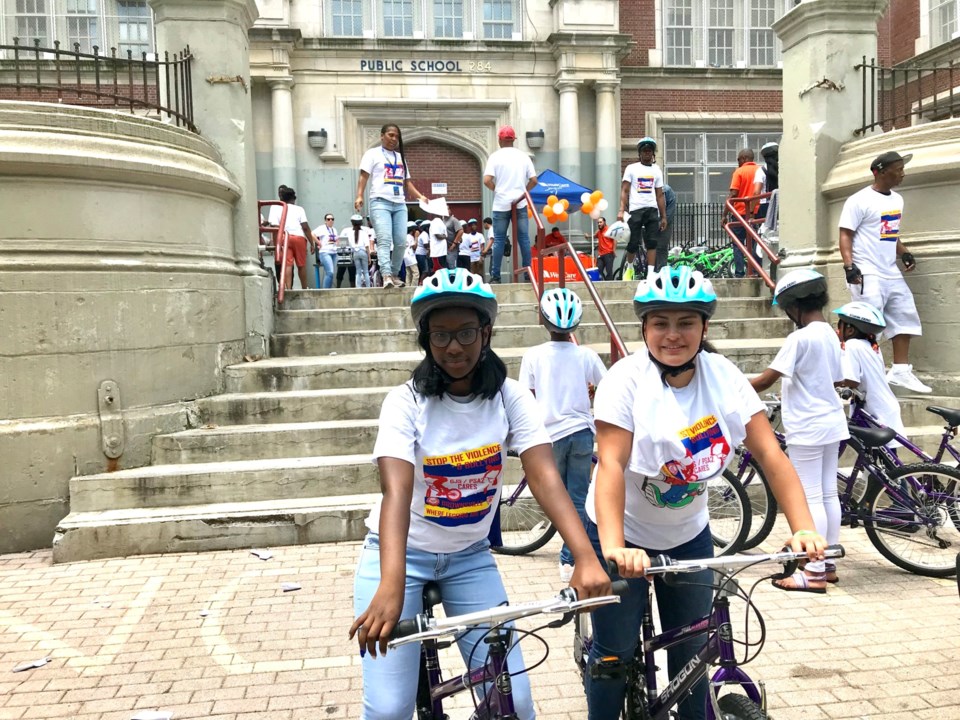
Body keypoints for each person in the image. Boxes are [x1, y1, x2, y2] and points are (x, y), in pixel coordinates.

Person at [349, 268, 611, 720]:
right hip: (398, 557)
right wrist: (391, 583)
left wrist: (584, 556)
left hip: (470, 557)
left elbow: (546, 477)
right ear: (425, 339)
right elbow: (396, 492)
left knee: (514, 703)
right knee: (390, 710)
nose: (454, 346)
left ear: (486, 333)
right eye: (441, 335)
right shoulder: (405, 402)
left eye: (466, 332)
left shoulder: (510, 398)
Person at [585, 265, 826, 720]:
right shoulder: (625, 379)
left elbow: (772, 456)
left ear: (704, 327)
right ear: (644, 327)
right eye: (661, 323)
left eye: (686, 323)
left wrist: (804, 529)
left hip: (687, 533)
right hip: (621, 531)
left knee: (693, 652)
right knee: (614, 653)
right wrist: (615, 546)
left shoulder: (724, 377)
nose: (672, 335)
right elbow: (612, 462)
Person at [751, 269, 849, 592]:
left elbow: (767, 379)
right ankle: (829, 562)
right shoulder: (831, 335)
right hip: (832, 421)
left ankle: (814, 571)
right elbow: (837, 378)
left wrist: (732, 384)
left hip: (807, 426)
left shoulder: (799, 338)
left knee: (809, 498)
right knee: (828, 493)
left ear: (794, 305)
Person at [519, 287, 606, 581]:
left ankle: (571, 555)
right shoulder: (586, 356)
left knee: (556, 497)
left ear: (542, 320)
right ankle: (571, 556)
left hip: (549, 436)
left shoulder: (533, 356)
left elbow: (525, 398)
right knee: (579, 496)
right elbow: (608, 388)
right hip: (582, 433)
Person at [838, 150, 930, 393]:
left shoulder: (896, 200)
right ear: (879, 171)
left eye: (902, 168)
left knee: (905, 313)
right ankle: (869, 374)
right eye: (897, 168)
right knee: (869, 321)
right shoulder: (858, 200)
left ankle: (900, 371)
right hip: (866, 270)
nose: (902, 173)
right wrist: (849, 265)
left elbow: (889, 234)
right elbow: (845, 234)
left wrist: (904, 252)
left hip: (889, 269)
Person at [355, 123, 429, 288]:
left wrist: (420, 197)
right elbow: (363, 176)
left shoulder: (400, 157)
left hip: (399, 203)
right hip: (380, 202)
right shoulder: (372, 154)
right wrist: (360, 195)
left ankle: (394, 274)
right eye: (390, 135)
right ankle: (386, 274)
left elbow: (407, 183)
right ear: (382, 135)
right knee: (384, 239)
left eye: (396, 136)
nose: (394, 139)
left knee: (402, 242)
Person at [835, 301, 906, 442]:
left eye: (839, 326)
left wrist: (829, 383)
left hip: (876, 411)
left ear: (849, 330)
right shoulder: (872, 346)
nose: (837, 331)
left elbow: (851, 380)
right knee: (879, 459)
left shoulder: (852, 345)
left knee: (888, 461)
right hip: (880, 406)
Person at [483, 126, 538, 283]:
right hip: (519, 202)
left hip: (501, 203)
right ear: (513, 140)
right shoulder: (524, 157)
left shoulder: (494, 157)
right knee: (524, 239)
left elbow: (487, 180)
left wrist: (497, 189)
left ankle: (496, 276)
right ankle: (528, 273)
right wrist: (524, 193)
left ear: (500, 140)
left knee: (499, 239)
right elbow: (534, 180)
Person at [618, 137, 667, 280]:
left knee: (652, 242)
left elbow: (659, 195)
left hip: (651, 209)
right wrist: (622, 209)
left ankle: (651, 273)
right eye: (644, 151)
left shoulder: (657, 170)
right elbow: (625, 190)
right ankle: (630, 267)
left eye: (649, 151)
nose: (647, 153)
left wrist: (663, 216)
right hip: (636, 209)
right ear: (639, 154)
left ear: (653, 154)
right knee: (633, 242)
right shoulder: (631, 168)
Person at [267, 186, 317, 291]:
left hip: (285, 237)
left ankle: (288, 289)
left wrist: (277, 245)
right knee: (301, 265)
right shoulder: (299, 209)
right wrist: (312, 243)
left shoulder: (275, 207)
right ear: (293, 198)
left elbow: (275, 227)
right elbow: (305, 227)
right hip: (299, 237)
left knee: (287, 264)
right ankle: (304, 288)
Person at [722, 149, 760, 278]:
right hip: (756, 214)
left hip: (739, 214)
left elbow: (733, 194)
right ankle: (756, 271)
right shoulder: (760, 170)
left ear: (744, 158)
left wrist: (724, 214)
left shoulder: (739, 172)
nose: (738, 162)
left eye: (738, 159)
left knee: (738, 244)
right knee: (755, 244)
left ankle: (739, 272)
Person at [341, 214, 375, 288]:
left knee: (358, 272)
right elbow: (367, 246)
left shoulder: (349, 233)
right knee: (366, 271)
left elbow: (346, 245)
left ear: (352, 223)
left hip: (355, 253)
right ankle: (368, 287)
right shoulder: (364, 233)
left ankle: (358, 287)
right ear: (361, 223)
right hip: (363, 252)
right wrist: (369, 257)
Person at [313, 212, 340, 289]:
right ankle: (325, 291)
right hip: (325, 252)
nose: (330, 220)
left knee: (331, 274)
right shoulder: (322, 228)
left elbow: (336, 240)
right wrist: (319, 243)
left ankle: (329, 290)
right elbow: (312, 234)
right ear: (325, 221)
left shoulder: (334, 229)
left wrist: (338, 242)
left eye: (332, 219)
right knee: (330, 272)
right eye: (328, 219)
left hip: (334, 252)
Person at [403, 222, 420, 288]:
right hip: (410, 256)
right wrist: (416, 237)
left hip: (405, 256)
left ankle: (407, 287)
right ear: (412, 230)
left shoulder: (405, 237)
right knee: (416, 273)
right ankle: (413, 288)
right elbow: (414, 247)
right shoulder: (410, 237)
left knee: (408, 273)